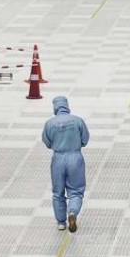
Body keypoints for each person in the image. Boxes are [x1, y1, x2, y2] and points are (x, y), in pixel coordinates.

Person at [41, 96, 89, 233]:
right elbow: (85, 139)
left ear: (55, 107)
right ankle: (72, 213)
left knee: (58, 192)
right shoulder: (77, 120)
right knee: (76, 191)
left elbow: (47, 142)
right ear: (67, 106)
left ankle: (61, 222)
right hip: (75, 157)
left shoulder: (50, 123)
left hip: (58, 159)